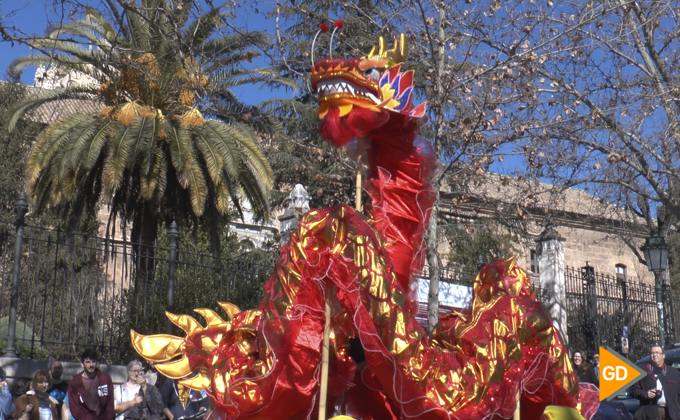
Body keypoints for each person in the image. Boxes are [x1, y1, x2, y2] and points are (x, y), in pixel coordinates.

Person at [631, 345, 680, 420]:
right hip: (650, 413)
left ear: (663, 356)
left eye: (657, 353)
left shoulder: (674, 373)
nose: (654, 355)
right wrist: (646, 394)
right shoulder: (643, 371)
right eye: (652, 353)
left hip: (671, 413)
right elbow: (633, 390)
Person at [67, 348, 115, 420]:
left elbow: (110, 404)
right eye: (88, 362)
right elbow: (75, 408)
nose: (91, 365)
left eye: (93, 361)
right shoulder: (75, 382)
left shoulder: (105, 379)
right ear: (82, 364)